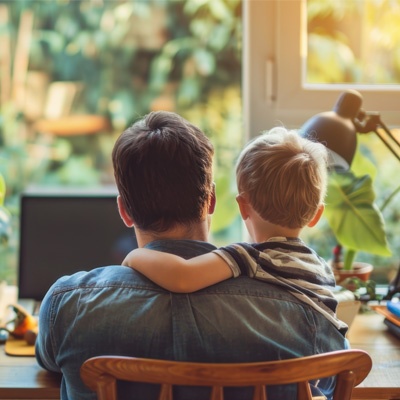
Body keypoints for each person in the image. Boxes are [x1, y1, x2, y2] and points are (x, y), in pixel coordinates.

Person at [35, 112, 348, 400]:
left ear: (125, 211)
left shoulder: (67, 304)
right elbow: (340, 373)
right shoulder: (304, 313)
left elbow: (48, 363)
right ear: (211, 200)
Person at [123, 127, 345, 333]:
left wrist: (135, 256)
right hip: (322, 365)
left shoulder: (251, 257)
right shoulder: (320, 267)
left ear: (243, 206)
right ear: (317, 215)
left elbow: (183, 276)